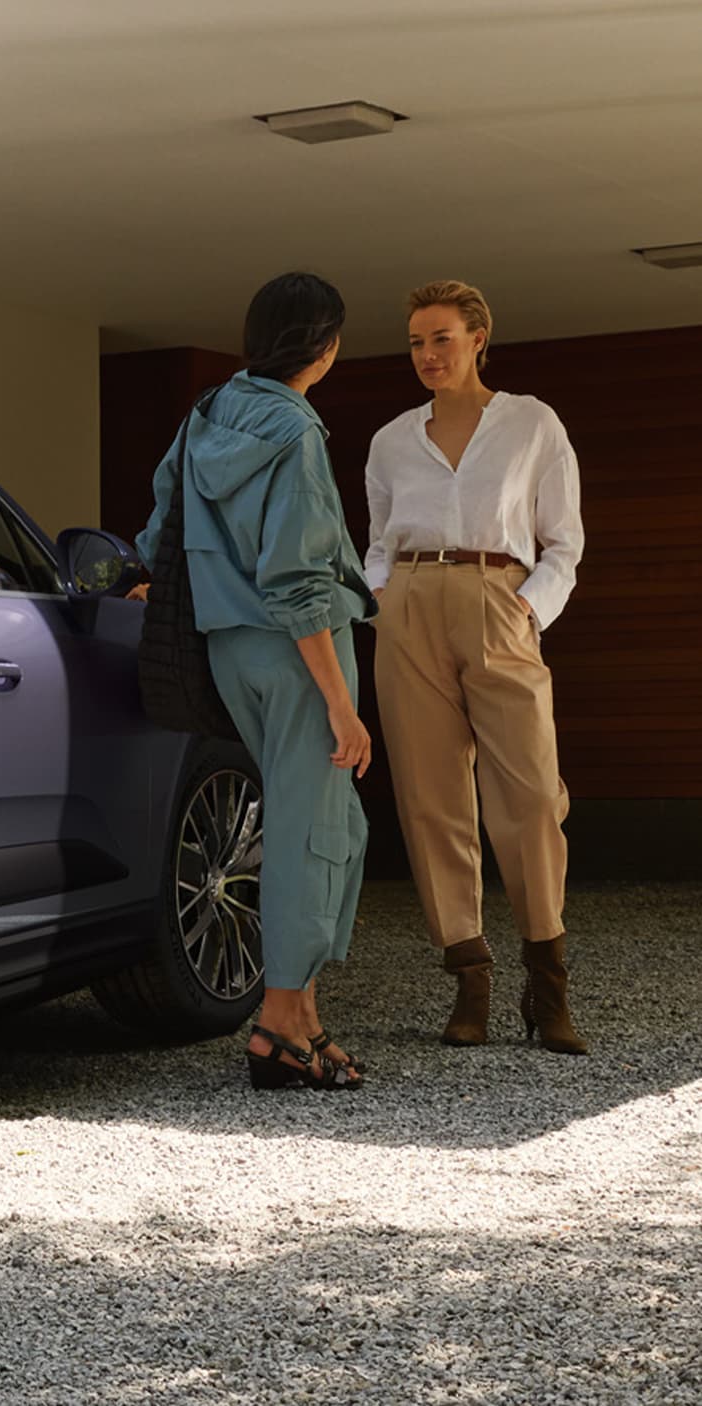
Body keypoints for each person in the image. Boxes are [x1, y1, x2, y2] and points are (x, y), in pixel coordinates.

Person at [134, 271, 377, 1090]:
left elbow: (162, 521)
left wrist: (154, 583)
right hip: (300, 650)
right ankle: (276, 1026)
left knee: (325, 822)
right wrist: (341, 704)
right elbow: (300, 581)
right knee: (313, 833)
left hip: (229, 647)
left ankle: (302, 1016)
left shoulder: (209, 411)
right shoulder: (296, 433)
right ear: (325, 347)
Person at [362, 280, 587, 1055]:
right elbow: (378, 541)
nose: (427, 354)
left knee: (531, 794)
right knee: (430, 796)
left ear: (478, 339)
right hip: (410, 606)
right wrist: (381, 595)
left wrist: (528, 608)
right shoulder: (392, 440)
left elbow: (564, 542)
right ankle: (471, 978)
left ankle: (547, 981)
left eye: (442, 338)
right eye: (417, 342)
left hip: (499, 596)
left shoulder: (531, 423)